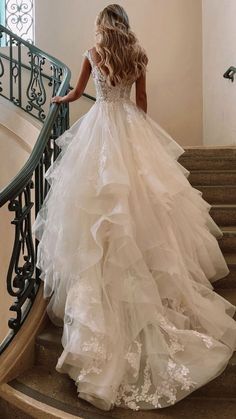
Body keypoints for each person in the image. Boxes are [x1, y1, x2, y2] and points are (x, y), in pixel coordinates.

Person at [32, 3, 236, 412]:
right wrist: (138, 138)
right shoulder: (138, 54)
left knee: (98, 213)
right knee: (143, 206)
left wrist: (63, 98)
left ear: (102, 24)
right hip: (127, 125)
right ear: (124, 24)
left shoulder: (93, 53)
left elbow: (76, 95)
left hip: (100, 128)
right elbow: (141, 104)